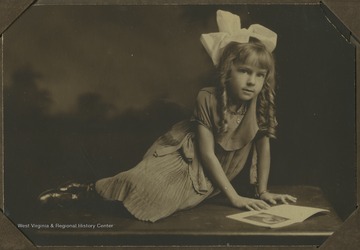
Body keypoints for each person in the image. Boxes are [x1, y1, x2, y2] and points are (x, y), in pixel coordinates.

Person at [38, 10, 297, 222]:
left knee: (169, 204)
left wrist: (262, 191)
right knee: (142, 184)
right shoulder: (208, 98)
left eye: (259, 75)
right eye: (244, 71)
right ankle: (81, 192)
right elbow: (206, 153)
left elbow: (263, 150)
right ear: (228, 72)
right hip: (184, 155)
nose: (252, 81)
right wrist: (235, 198)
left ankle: (95, 198)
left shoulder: (261, 105)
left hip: (215, 172)